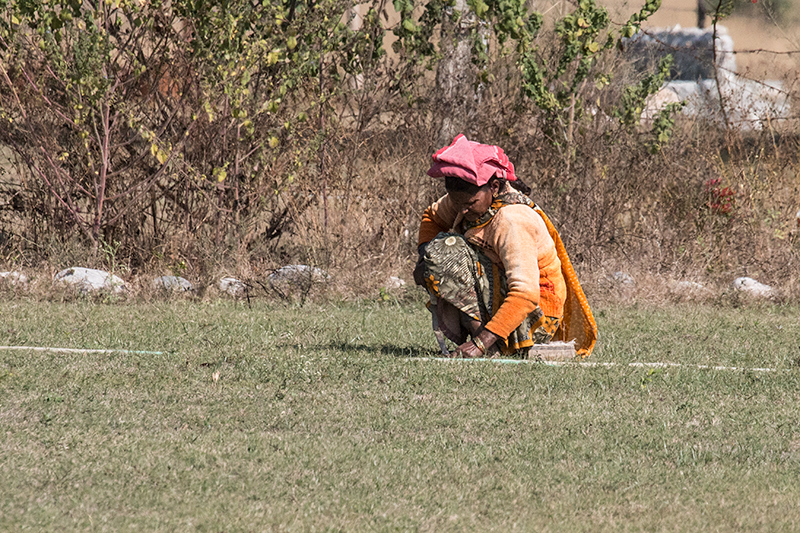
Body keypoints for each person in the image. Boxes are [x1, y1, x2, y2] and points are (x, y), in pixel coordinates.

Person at [413, 134, 596, 359]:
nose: (461, 212)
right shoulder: (465, 201)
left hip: (536, 316)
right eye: (457, 204)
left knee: (449, 253)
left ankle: (491, 345)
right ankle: (490, 344)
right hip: (501, 297)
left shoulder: (513, 220)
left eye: (469, 204)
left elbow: (525, 295)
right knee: (440, 252)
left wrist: (480, 344)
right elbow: (432, 216)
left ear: (495, 186)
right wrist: (424, 257)